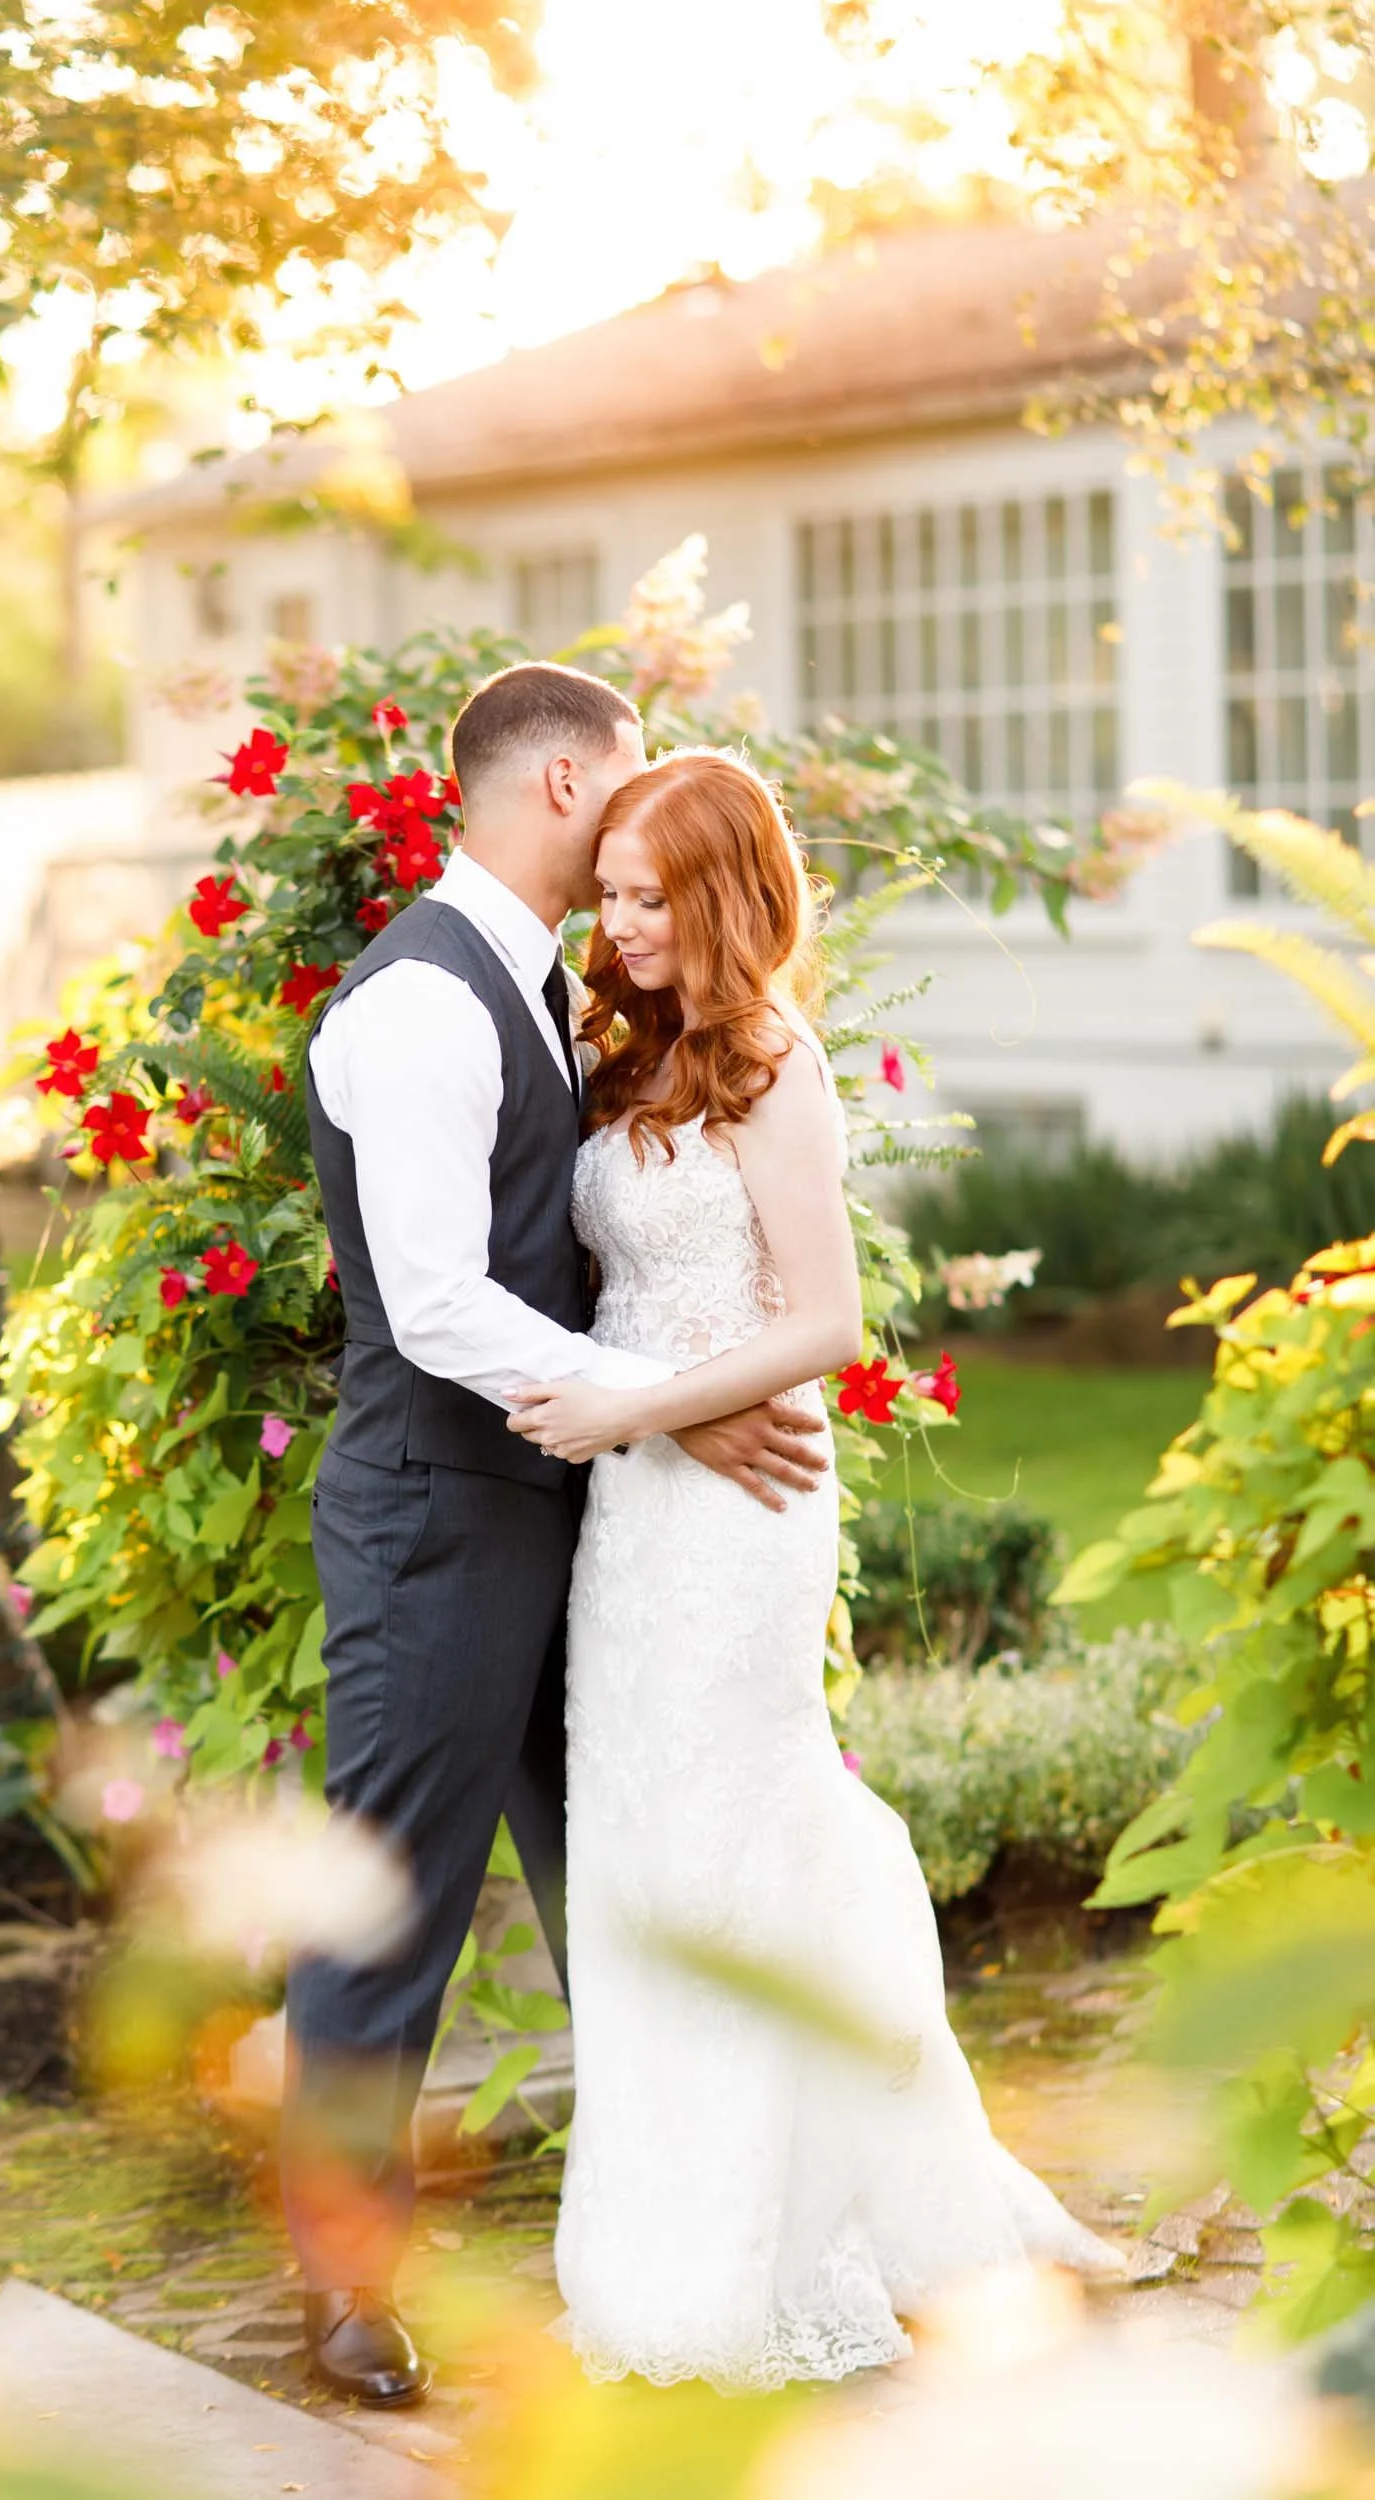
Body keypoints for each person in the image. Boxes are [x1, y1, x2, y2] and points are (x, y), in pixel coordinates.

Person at [506, 747, 1123, 2388]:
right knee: (639, 1860)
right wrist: (645, 1416)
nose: (617, 922)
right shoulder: (613, 1048)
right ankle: (658, 2237)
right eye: (611, 891)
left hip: (743, 1519)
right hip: (637, 1509)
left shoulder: (774, 1067)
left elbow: (827, 1326)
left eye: (649, 897)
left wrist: (649, 1406)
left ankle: (759, 2251)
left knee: (729, 1850)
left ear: (719, 898)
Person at [290, 667, 830, 2407]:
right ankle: (347, 2290)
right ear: (568, 782)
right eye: (618, 813)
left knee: (638, 1876)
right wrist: (664, 1397)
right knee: (391, 1911)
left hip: (586, 1538)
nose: (630, 853)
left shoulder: (544, 991)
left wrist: (667, 1399)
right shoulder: (425, 1008)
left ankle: (706, 2239)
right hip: (444, 1525)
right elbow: (441, 1304)